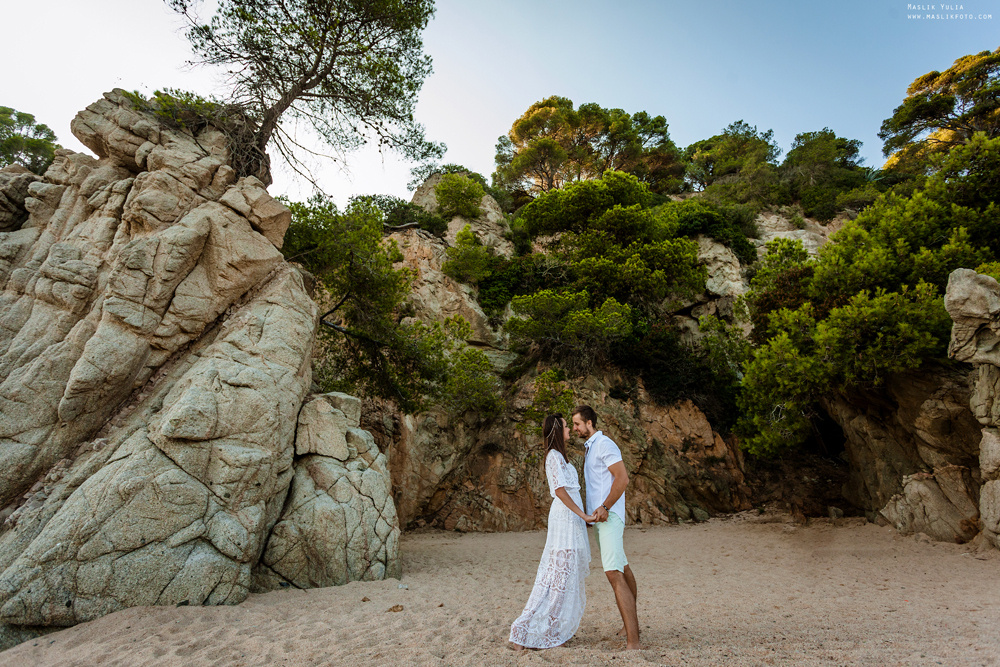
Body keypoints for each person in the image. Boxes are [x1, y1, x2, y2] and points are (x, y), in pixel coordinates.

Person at [509, 413, 594, 650]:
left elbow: (570, 490)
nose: (570, 430)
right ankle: (524, 630)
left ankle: (550, 630)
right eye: (567, 426)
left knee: (564, 576)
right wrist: (582, 514)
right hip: (565, 519)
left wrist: (583, 517)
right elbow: (560, 491)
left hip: (572, 520)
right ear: (557, 430)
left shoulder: (561, 458)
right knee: (557, 575)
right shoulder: (553, 457)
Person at [572, 405, 641, 650]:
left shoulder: (605, 444)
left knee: (613, 573)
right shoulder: (590, 448)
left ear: (589, 422)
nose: (574, 428)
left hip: (609, 517)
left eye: (577, 424)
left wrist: (604, 507)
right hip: (600, 520)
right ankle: (630, 626)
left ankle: (634, 642)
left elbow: (622, 478)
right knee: (622, 567)